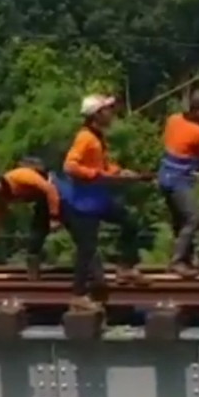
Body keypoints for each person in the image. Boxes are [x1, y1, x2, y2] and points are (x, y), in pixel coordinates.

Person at [56, 94, 150, 309]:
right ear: (97, 115)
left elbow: (103, 165)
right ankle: (78, 295)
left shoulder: (97, 137)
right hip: (83, 205)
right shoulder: (85, 138)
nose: (112, 113)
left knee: (130, 221)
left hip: (98, 200)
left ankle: (125, 266)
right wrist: (97, 174)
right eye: (107, 109)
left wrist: (121, 172)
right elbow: (70, 166)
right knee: (87, 249)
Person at [159, 89, 199, 277]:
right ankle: (178, 262)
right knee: (194, 218)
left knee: (180, 221)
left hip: (164, 177)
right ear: (196, 110)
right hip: (178, 181)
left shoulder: (173, 119)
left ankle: (185, 261)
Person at [0, 158, 61, 279]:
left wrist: (54, 217)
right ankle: (33, 276)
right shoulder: (0, 197)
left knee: (79, 233)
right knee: (35, 238)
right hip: (42, 201)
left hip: (60, 193)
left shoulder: (20, 176)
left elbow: (49, 189)